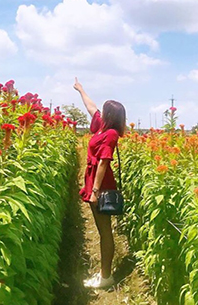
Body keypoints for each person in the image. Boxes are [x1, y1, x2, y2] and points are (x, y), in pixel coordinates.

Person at [74, 77, 126, 289]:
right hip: (93, 183)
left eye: (104, 111)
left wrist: (94, 191)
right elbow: (91, 107)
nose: (100, 112)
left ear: (109, 116)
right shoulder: (100, 128)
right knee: (101, 229)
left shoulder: (110, 134)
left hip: (101, 186)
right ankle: (104, 273)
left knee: (105, 232)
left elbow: (104, 162)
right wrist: (80, 89)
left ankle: (106, 277)